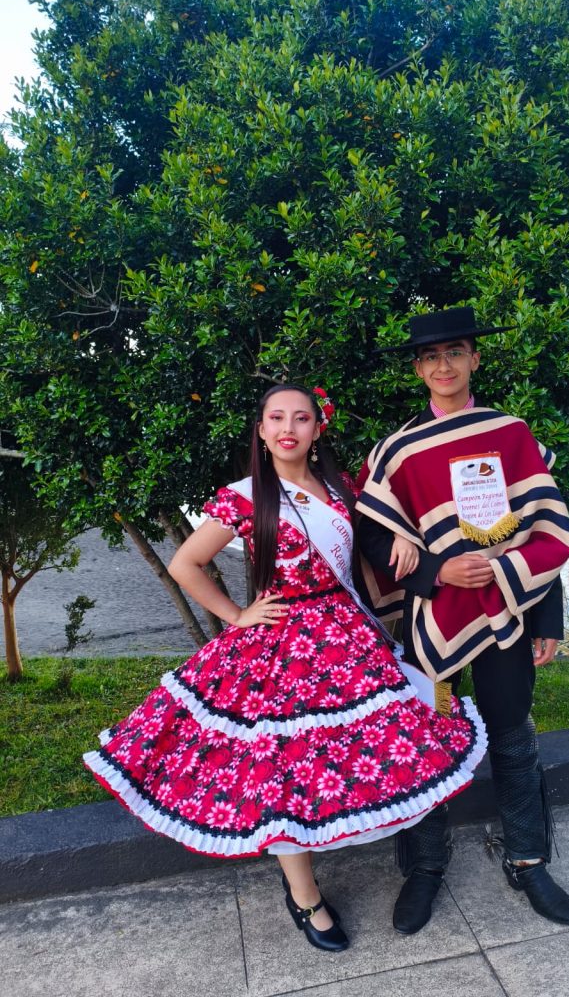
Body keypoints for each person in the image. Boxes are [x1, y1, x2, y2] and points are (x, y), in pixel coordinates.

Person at [84, 383, 487, 953]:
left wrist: (402, 537)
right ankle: (305, 897)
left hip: (347, 635)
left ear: (318, 429)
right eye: (276, 418)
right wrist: (235, 615)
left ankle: (402, 850)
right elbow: (186, 562)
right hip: (278, 647)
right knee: (280, 772)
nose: (288, 428)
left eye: (301, 418)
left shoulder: (340, 489)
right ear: (262, 428)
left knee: (377, 748)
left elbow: (376, 534)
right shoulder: (247, 498)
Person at [356, 307, 569, 935]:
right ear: (417, 369)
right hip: (433, 625)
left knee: (513, 737)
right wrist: (434, 574)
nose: (442, 366)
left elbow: (546, 527)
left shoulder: (511, 435)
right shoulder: (397, 451)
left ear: (475, 358)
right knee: (429, 746)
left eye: (454, 352)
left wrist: (548, 619)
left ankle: (529, 860)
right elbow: (373, 541)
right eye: (429, 357)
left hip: (507, 615)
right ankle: (425, 867)